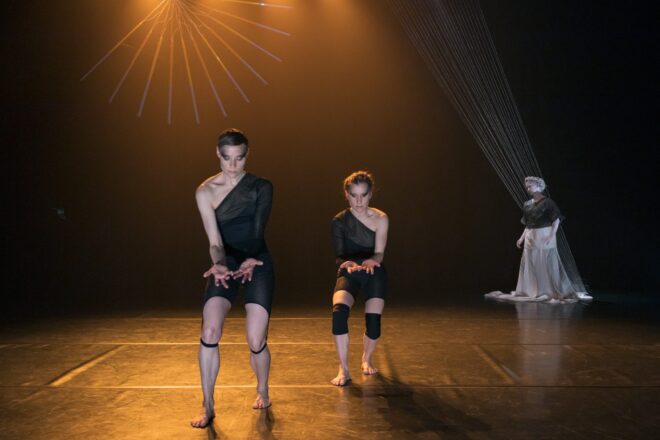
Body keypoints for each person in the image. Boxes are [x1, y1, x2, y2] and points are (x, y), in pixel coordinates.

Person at [191, 129, 274, 429]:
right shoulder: (205, 191)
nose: (233, 166)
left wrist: (250, 258)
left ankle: (262, 389)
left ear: (247, 155)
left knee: (255, 339)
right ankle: (208, 404)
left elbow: (257, 231)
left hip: (257, 261)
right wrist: (219, 264)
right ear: (218, 153)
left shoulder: (261, 187)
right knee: (210, 330)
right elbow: (215, 241)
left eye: (239, 159)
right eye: (227, 158)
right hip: (226, 264)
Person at [330, 171, 389, 386]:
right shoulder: (339, 220)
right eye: (354, 196)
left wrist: (372, 261)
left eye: (363, 195)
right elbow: (340, 255)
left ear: (370, 194)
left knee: (373, 322)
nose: (359, 201)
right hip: (350, 271)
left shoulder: (381, 218)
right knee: (339, 312)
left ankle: (366, 359)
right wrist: (347, 263)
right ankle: (343, 369)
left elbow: (379, 253)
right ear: (347, 195)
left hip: (373, 271)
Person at [485, 176, 578, 304]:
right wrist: (521, 238)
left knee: (545, 262)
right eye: (527, 187)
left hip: (544, 235)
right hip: (531, 236)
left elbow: (556, 220)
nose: (528, 188)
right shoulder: (527, 204)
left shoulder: (548, 203)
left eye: (531, 186)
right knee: (531, 263)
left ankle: (549, 290)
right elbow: (528, 224)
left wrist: (551, 235)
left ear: (539, 186)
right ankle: (531, 290)